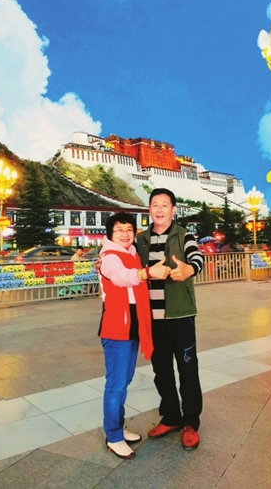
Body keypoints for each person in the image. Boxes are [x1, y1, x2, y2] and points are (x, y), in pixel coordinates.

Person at [136, 188, 204, 451]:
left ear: (173, 210)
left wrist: (189, 269)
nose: (160, 209)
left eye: (165, 205)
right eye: (155, 204)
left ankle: (190, 422)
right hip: (152, 319)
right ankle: (171, 417)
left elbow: (196, 257)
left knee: (188, 370)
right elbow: (127, 265)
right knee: (161, 371)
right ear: (149, 209)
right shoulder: (141, 240)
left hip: (180, 315)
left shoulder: (184, 235)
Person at [98, 212, 169, 460]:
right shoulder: (109, 257)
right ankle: (113, 436)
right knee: (116, 384)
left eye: (129, 229)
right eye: (119, 230)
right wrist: (146, 273)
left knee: (124, 380)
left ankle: (117, 427)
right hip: (116, 328)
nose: (125, 234)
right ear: (110, 234)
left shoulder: (132, 254)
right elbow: (120, 278)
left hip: (131, 326)